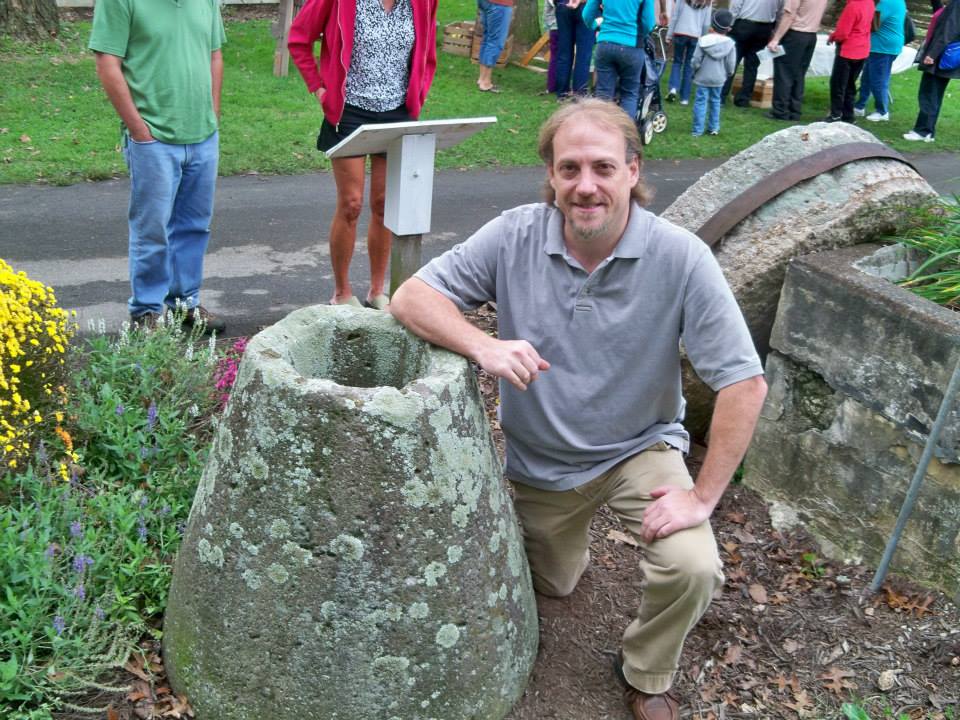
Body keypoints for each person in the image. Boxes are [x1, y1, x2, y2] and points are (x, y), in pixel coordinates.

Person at [390, 99, 768, 720]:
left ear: (632, 170)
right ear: (551, 176)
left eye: (602, 167)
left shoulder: (680, 257)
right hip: (541, 462)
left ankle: (646, 672)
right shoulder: (515, 234)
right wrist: (483, 344)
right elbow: (412, 296)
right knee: (554, 585)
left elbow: (743, 383)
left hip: (639, 450)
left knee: (692, 565)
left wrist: (701, 498)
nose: (585, 186)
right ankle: (569, 548)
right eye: (569, 169)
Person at [288, 0, 438, 308]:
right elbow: (299, 38)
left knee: (384, 204)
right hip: (349, 112)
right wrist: (319, 88)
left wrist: (418, 93)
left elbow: (427, 54)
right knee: (351, 204)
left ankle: (376, 291)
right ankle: (342, 292)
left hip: (397, 113)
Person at [89, 0, 227, 334]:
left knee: (194, 227)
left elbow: (214, 55)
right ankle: (145, 313)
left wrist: (213, 115)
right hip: (153, 139)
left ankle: (184, 307)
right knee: (152, 230)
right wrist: (138, 129)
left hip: (202, 135)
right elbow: (108, 64)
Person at [583, 0, 658, 119]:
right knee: (629, 94)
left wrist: (594, 25)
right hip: (632, 46)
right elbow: (648, 23)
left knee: (603, 94)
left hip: (605, 43)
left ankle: (600, 133)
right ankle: (625, 134)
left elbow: (587, 15)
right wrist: (639, 35)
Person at [903, 0, 959, 142]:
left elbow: (948, 30)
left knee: (929, 93)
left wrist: (932, 54)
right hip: (943, 55)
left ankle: (923, 131)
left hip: (940, 56)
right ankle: (927, 130)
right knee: (933, 93)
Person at [765, 0, 829, 120]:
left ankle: (780, 111)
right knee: (799, 74)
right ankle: (794, 110)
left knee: (784, 73)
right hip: (811, 35)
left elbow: (789, 15)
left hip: (795, 34)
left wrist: (776, 38)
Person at [722, 0, 783, 106]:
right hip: (765, 28)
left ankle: (721, 95)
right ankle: (744, 99)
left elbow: (736, 5)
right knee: (752, 65)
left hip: (743, 24)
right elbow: (780, 12)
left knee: (732, 61)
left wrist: (730, 23)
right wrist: (775, 31)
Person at [853, 0, 907, 121]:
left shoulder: (887, 2)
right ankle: (860, 106)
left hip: (883, 47)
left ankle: (882, 111)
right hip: (881, 46)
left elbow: (872, 22)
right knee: (867, 77)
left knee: (878, 80)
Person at [825, 0, 875, 122]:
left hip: (848, 50)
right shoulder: (869, 3)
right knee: (850, 85)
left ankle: (835, 114)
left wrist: (833, 37)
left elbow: (843, 32)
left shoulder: (852, 6)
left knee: (838, 84)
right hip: (862, 49)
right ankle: (848, 115)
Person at [691, 9, 737, 134]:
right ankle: (713, 128)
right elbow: (731, 63)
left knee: (701, 101)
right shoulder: (730, 44)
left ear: (712, 25)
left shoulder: (703, 40)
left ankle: (697, 130)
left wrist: (695, 68)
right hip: (719, 77)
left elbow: (696, 59)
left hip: (703, 76)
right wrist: (729, 73)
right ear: (728, 29)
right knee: (716, 101)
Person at [666, 0, 713, 105]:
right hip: (695, 35)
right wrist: (704, 39)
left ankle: (673, 88)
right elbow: (706, 24)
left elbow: (675, 16)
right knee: (689, 65)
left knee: (677, 62)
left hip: (680, 32)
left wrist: (669, 34)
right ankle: (684, 98)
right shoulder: (708, 2)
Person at [556, 0, 597, 99]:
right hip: (585, 6)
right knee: (583, 53)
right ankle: (580, 93)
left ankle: (562, 92)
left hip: (563, 5)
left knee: (564, 52)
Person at [476, 0, 515, 93]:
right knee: (495, 42)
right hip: (499, 3)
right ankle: (486, 82)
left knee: (488, 38)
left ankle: (482, 78)